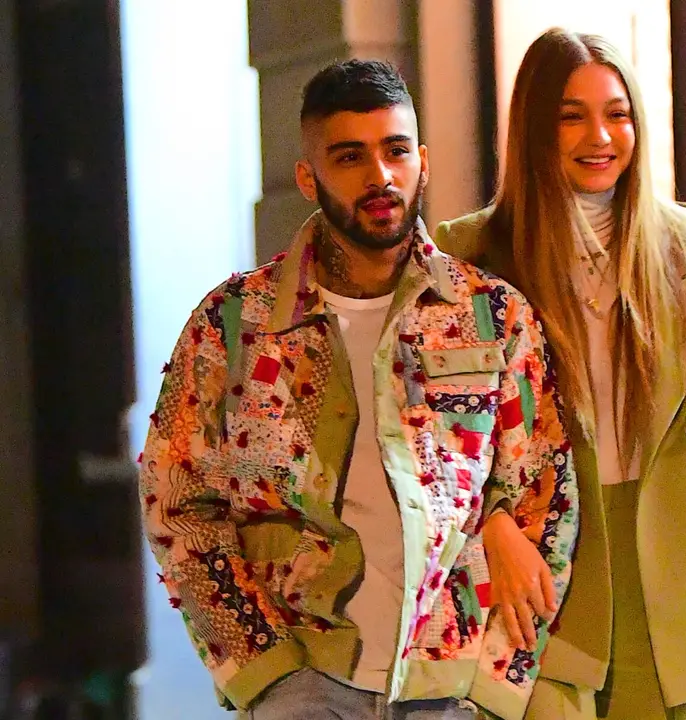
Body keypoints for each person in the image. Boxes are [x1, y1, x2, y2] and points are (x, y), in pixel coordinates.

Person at [138, 59, 578, 720]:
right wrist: (264, 673)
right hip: (304, 683)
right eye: (350, 157)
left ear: (423, 161)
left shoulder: (491, 315)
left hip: (450, 688)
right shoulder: (235, 326)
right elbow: (176, 501)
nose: (380, 176)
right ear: (307, 177)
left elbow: (546, 494)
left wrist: (494, 686)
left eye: (396, 151)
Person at [435, 28, 686, 720]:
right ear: (534, 127)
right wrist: (491, 524)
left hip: (669, 579)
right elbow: (437, 438)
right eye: (571, 116)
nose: (600, 136)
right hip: (535, 578)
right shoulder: (469, 254)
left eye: (617, 113)